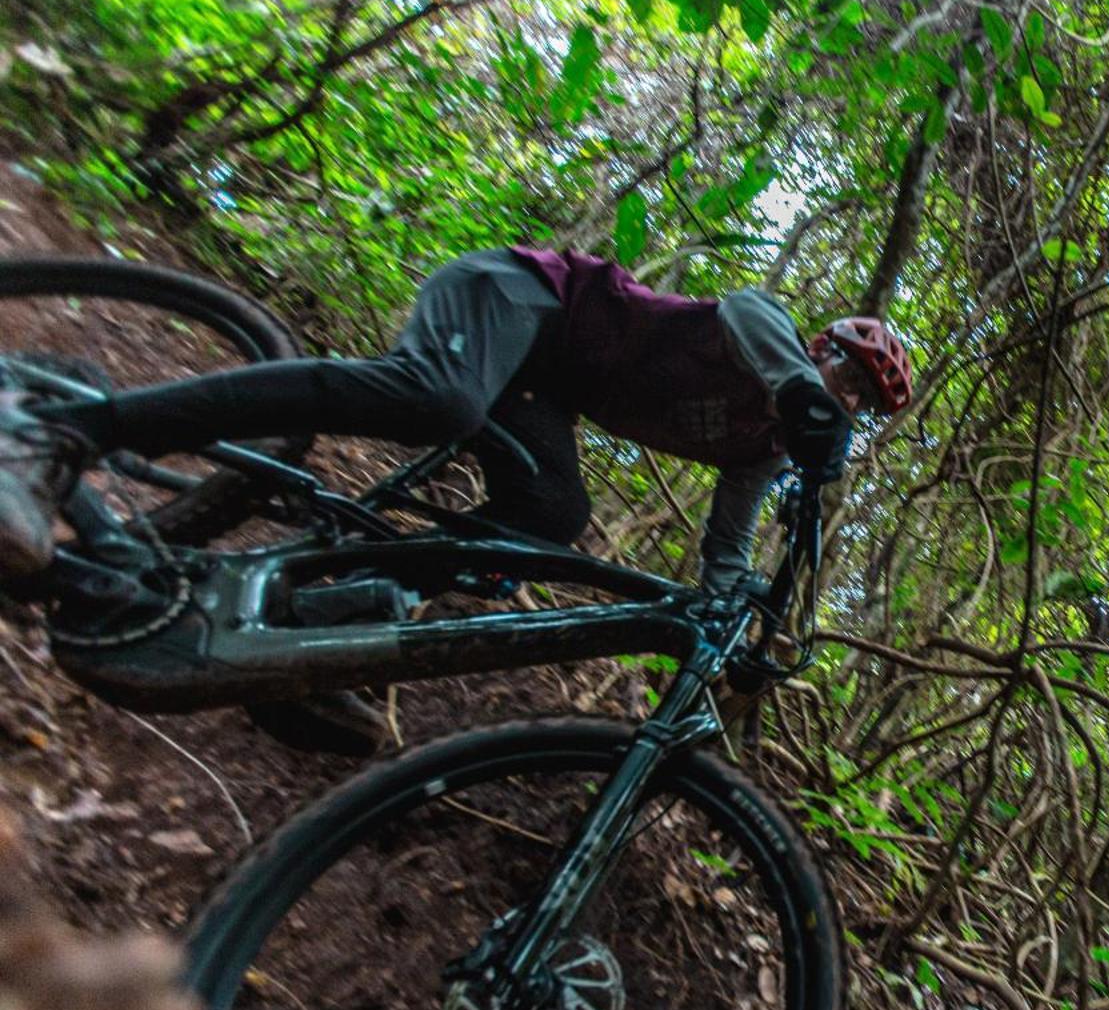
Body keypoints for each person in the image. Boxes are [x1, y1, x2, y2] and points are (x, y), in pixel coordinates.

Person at [0, 246, 914, 748]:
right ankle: (65, 432)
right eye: (846, 374)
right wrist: (801, 385)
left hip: (539, 392)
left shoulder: (760, 453)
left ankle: (315, 614)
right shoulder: (770, 336)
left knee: (551, 518)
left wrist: (744, 620)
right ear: (824, 347)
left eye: (861, 403)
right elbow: (753, 314)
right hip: (515, 300)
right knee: (433, 396)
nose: (844, 397)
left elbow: (727, 550)